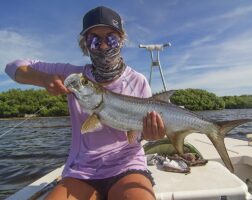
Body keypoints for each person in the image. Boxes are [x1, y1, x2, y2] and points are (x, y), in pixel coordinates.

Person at [5, 6, 166, 200]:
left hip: (128, 165)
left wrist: (151, 134)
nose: (104, 46)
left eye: (111, 38)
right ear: (86, 44)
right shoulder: (74, 77)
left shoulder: (138, 81)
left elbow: (137, 137)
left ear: (121, 41)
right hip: (81, 171)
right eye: (95, 40)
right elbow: (12, 67)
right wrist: (44, 80)